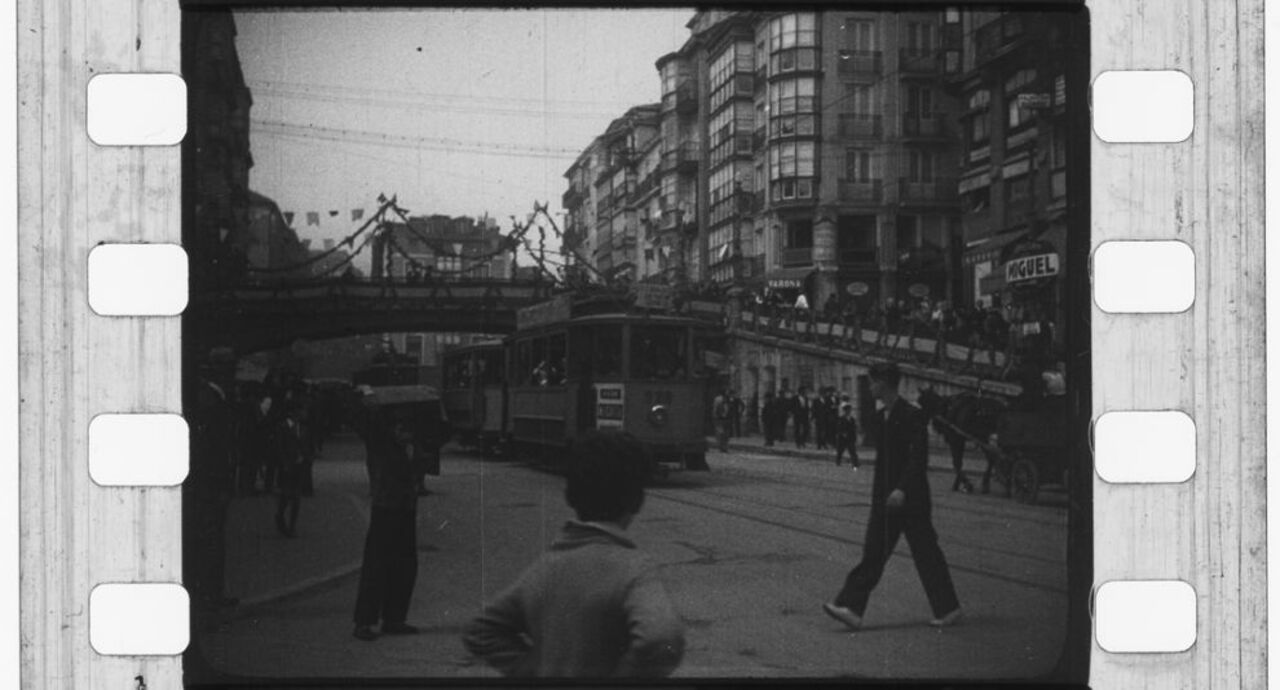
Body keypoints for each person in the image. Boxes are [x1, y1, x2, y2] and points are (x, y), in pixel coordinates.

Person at [463, 431, 686, 677]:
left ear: (570, 496)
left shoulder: (545, 567)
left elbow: (481, 630)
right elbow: (661, 638)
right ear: (638, 501)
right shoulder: (633, 570)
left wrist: (531, 670)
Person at [823, 363, 962, 630]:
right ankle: (851, 607)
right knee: (874, 551)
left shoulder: (911, 415)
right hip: (887, 499)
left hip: (910, 499)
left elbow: (917, 457)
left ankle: (948, 608)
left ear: (884, 383)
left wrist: (902, 488)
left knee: (926, 553)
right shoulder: (882, 417)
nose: (870, 386)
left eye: (873, 382)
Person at [351, 401, 432, 641]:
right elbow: (367, 426)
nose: (405, 434)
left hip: (406, 510)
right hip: (385, 509)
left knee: (405, 566)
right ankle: (364, 623)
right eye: (401, 429)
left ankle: (394, 619)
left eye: (408, 429)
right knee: (376, 566)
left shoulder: (412, 449)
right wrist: (373, 405)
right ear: (392, 429)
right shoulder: (379, 446)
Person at [273, 401, 310, 537]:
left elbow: (305, 445)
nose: (305, 414)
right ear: (294, 412)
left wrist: (306, 458)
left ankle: (292, 525)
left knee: (296, 497)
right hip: (287, 465)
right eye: (302, 411)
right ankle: (280, 515)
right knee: (286, 495)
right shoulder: (282, 427)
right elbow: (279, 446)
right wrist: (284, 463)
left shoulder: (303, 427)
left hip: (299, 465)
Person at [834, 402, 860, 468]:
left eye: (849, 410)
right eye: (847, 410)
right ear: (844, 411)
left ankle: (855, 463)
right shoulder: (841, 418)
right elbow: (839, 428)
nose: (848, 411)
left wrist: (855, 437)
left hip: (850, 438)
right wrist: (843, 433)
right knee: (840, 451)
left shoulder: (852, 419)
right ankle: (838, 461)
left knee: (852, 451)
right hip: (842, 438)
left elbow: (854, 428)